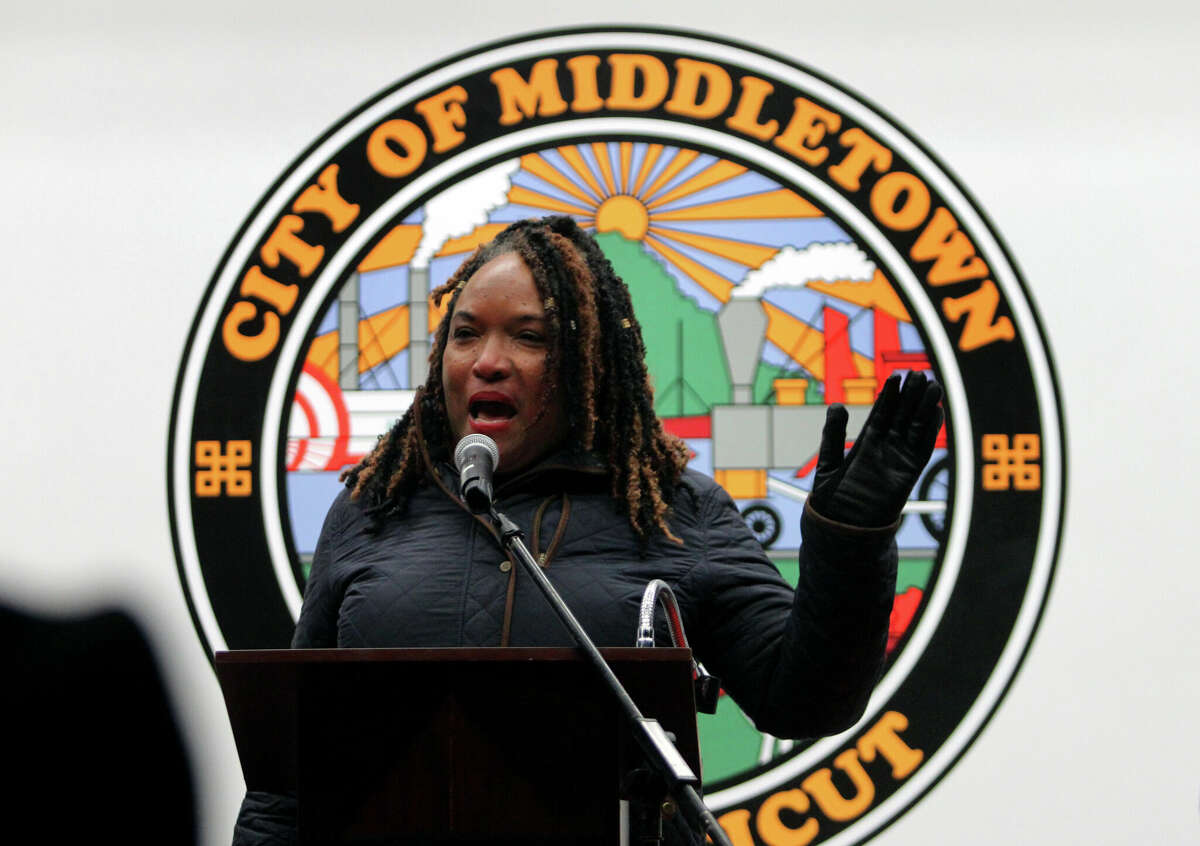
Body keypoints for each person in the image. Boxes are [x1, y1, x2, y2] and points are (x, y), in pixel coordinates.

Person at [233, 215, 942, 845]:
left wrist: (850, 539)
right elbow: (289, 782)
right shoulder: (370, 509)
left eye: (529, 337)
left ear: (588, 367)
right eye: (466, 333)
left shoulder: (676, 512)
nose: (487, 359)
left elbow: (807, 699)